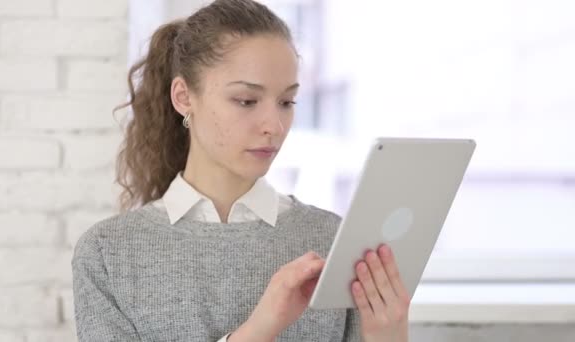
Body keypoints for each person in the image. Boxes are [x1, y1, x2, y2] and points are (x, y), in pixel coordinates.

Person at [71, 0, 411, 341]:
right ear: (184, 97)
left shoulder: (332, 240)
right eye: (247, 101)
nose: (274, 126)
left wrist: (388, 335)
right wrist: (260, 328)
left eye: (286, 102)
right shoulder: (108, 254)